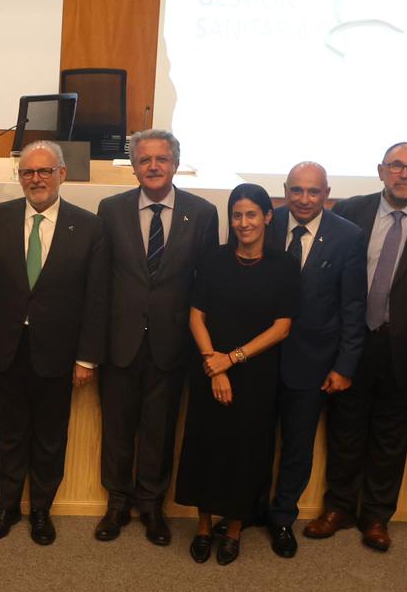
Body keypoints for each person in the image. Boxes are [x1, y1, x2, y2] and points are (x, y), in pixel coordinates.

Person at [306, 142, 407, 551]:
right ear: (381, 171)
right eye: (396, 165)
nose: (404, 173)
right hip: (352, 344)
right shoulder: (349, 211)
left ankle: (377, 517)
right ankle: (338, 508)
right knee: (344, 431)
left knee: (390, 438)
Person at [0, 141, 108, 546]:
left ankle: (42, 510)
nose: (36, 179)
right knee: (9, 434)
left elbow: (97, 297)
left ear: (62, 174)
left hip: (59, 353)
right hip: (6, 348)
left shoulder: (89, 226)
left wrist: (87, 358)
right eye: (28, 172)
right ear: (20, 177)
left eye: (45, 171)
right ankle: (8, 507)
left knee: (50, 436)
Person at [94, 130, 218, 546]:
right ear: (133, 167)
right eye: (144, 160)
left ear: (175, 164)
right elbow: (100, 281)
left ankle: (151, 505)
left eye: (161, 159)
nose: (153, 167)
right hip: (120, 341)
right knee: (117, 428)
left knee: (159, 429)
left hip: (172, 342)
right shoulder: (110, 209)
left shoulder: (202, 213)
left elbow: (206, 286)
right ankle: (117, 503)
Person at [177, 184, 299, 565]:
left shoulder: (284, 264)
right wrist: (214, 364)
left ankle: (233, 529)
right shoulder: (213, 258)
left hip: (255, 375)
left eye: (251, 214)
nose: (243, 223)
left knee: (247, 453)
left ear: (267, 217)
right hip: (208, 366)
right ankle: (203, 526)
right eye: (236, 215)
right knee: (205, 446)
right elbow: (196, 316)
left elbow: (282, 327)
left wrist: (231, 359)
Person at [262, 162, 367, 558]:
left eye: (313, 192)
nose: (304, 199)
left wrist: (345, 366)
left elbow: (353, 307)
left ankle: (282, 518)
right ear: (285, 190)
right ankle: (249, 510)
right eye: (297, 190)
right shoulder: (265, 223)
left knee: (297, 447)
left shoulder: (348, 236)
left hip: (313, 363)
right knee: (254, 440)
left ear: (327, 194)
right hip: (259, 357)